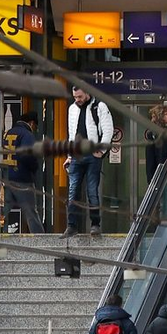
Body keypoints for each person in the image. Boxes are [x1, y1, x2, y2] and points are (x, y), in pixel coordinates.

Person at [64, 84, 114, 238]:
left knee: (92, 191)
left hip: (92, 155)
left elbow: (108, 129)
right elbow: (71, 133)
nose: (77, 100)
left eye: (80, 96)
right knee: (73, 191)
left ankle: (95, 224)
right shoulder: (72, 109)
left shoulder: (99, 106)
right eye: (75, 97)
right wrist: (69, 156)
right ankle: (72, 225)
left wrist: (102, 150)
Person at [2, 110, 44, 234]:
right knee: (31, 212)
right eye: (35, 126)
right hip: (22, 179)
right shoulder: (27, 134)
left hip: (7, 177)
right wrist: (35, 168)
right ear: (31, 123)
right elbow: (27, 155)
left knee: (3, 211)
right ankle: (40, 239)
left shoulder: (9, 132)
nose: (34, 129)